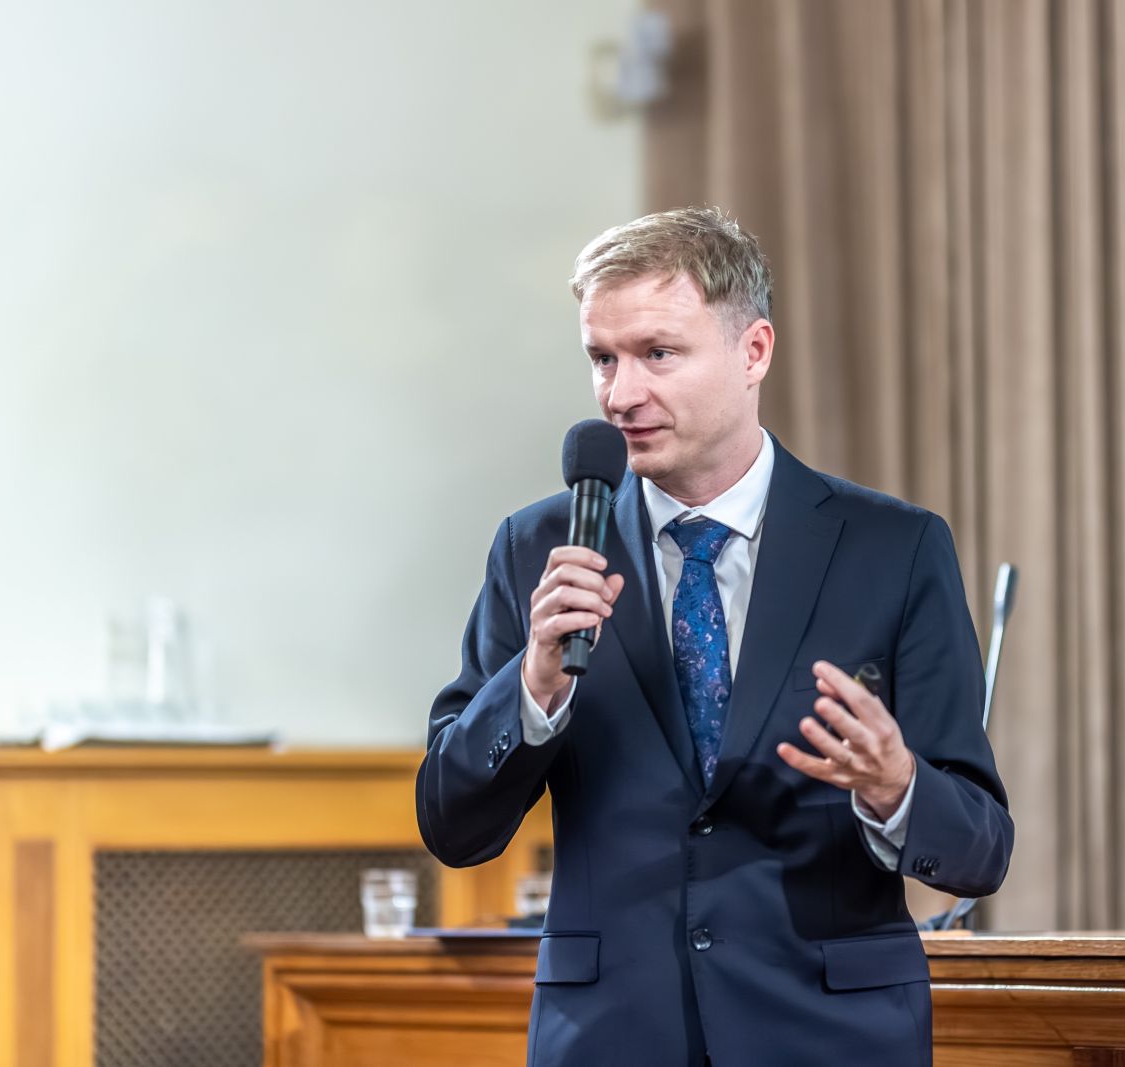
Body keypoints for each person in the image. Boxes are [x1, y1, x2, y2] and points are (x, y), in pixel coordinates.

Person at [417, 207, 1012, 1066]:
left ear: (754, 351)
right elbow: (451, 825)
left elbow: (981, 848)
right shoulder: (537, 548)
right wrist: (534, 689)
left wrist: (897, 784)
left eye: (658, 353)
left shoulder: (894, 548)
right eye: (602, 358)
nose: (621, 394)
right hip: (611, 1038)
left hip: (831, 1037)